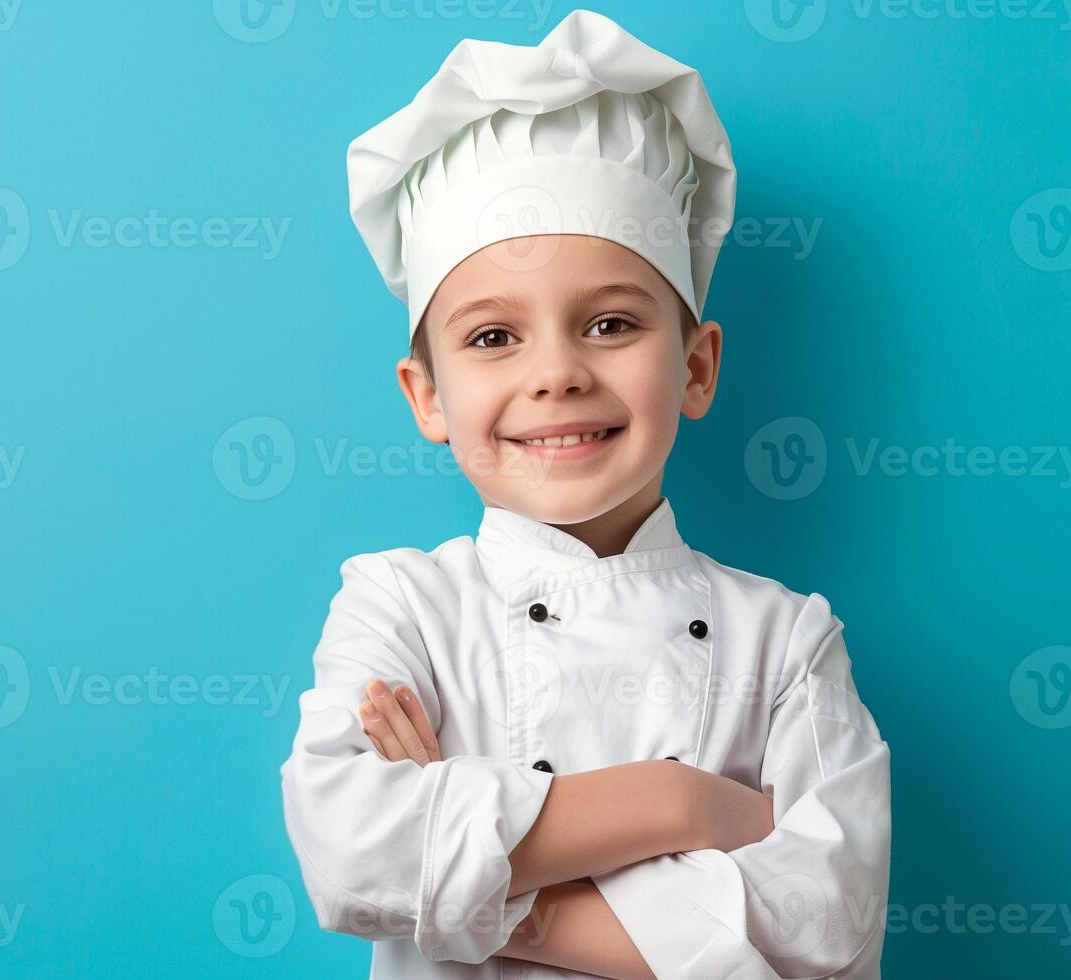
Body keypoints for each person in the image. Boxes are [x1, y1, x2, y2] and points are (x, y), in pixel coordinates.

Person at [278, 10, 891, 979]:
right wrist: (677, 802)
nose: (556, 373)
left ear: (695, 367)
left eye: (609, 322)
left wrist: (479, 877)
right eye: (493, 336)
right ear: (427, 395)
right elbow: (351, 852)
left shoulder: (788, 641)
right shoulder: (400, 605)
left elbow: (826, 932)